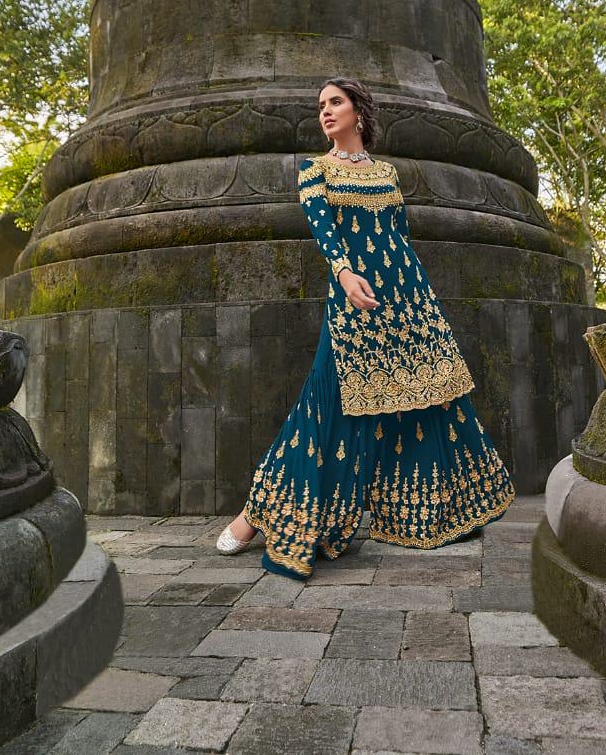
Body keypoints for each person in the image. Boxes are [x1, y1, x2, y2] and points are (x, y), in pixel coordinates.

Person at [216, 78, 516, 579]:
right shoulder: (315, 171)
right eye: (321, 105)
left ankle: (427, 512)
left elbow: (399, 237)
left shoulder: (387, 174)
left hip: (406, 297)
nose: (325, 111)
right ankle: (258, 514)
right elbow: (324, 232)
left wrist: (417, 298)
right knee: (326, 405)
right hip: (353, 299)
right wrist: (344, 274)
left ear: (359, 111)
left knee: (429, 399)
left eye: (335, 102)